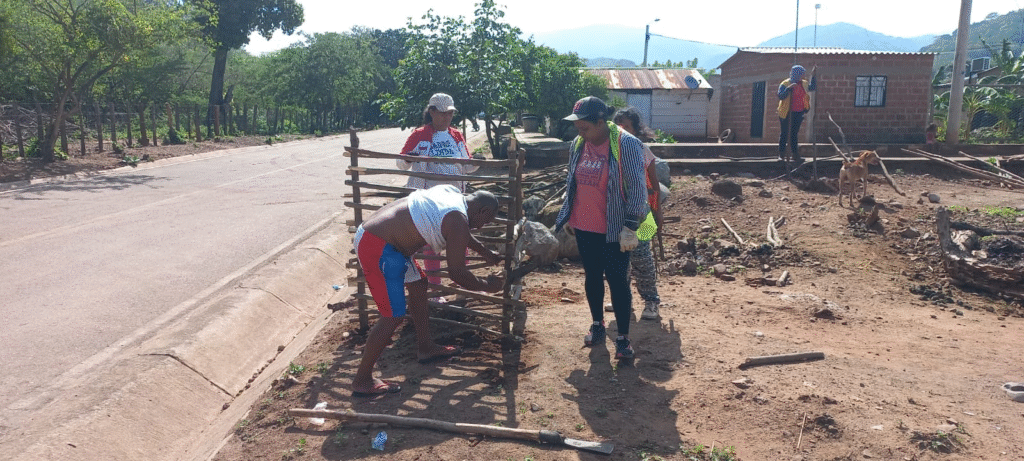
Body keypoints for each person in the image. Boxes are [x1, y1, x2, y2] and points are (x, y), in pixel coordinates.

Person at [351, 185, 504, 396]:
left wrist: (486, 252)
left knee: (418, 285)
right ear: (482, 211)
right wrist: (488, 286)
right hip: (377, 246)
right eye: (485, 222)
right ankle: (362, 380)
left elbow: (460, 232)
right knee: (392, 315)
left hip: (382, 239)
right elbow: (457, 273)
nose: (480, 227)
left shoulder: (451, 195)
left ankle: (425, 347)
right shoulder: (457, 219)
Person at [555, 96, 647, 360]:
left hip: (616, 227)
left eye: (585, 127)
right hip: (584, 225)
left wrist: (631, 225)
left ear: (601, 122)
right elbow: (571, 180)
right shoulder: (578, 144)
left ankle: (623, 339)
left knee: (618, 280)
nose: (580, 133)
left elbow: (638, 186)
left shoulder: (625, 144)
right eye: (578, 128)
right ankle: (597, 324)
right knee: (592, 276)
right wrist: (569, 216)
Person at [398, 93, 479, 294]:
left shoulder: (456, 136)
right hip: (429, 201)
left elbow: (466, 166)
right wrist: (408, 159)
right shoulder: (419, 135)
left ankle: (462, 282)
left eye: (450, 114)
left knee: (460, 239)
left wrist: (476, 163)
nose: (447, 118)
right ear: (432, 112)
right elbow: (400, 163)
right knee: (430, 244)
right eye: (442, 113)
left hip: (454, 199)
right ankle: (435, 288)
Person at [613, 108, 663, 321]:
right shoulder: (610, 151)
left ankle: (651, 301)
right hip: (616, 212)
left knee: (642, 259)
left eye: (626, 126)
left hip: (641, 214)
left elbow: (654, 186)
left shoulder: (643, 151)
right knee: (617, 260)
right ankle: (623, 299)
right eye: (618, 127)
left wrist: (657, 213)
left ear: (635, 129)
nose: (621, 131)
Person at [777, 65, 818, 164]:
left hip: (798, 113)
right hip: (786, 113)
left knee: (794, 135)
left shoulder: (803, 83)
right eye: (802, 73)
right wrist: (788, 89)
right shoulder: (785, 83)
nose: (803, 75)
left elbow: (812, 87)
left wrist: (814, 76)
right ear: (797, 74)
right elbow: (780, 96)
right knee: (784, 134)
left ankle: (795, 155)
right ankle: (781, 155)